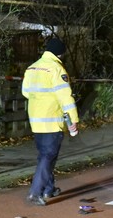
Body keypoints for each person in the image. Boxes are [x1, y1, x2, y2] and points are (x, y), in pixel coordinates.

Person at [21, 37, 79, 206]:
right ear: (60, 54)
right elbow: (65, 98)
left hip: (35, 120)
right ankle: (35, 192)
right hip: (52, 121)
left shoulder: (32, 68)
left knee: (46, 155)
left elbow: (26, 92)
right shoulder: (56, 69)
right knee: (48, 156)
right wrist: (73, 120)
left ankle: (49, 188)